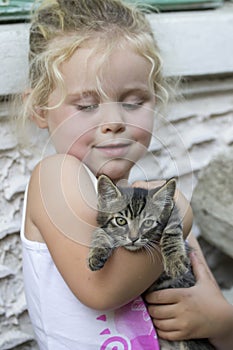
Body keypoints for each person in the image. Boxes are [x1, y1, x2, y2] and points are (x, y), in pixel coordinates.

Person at [18, 0, 233, 349]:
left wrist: (220, 322)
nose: (114, 121)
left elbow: (216, 324)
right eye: (87, 106)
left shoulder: (148, 200)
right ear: (41, 109)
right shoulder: (55, 177)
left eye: (133, 101)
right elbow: (100, 288)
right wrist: (177, 210)